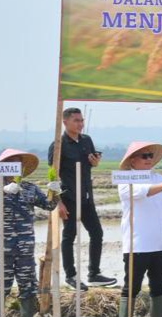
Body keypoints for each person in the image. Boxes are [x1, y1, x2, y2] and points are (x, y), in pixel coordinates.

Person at [0, 149, 58, 317]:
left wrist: (55, 192)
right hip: (3, 247)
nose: (15, 168)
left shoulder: (30, 188)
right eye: (11, 164)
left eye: (18, 164)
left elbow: (49, 205)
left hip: (25, 247)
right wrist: (4, 191)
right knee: (0, 284)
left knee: (28, 285)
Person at [115, 142, 162, 317]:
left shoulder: (158, 177)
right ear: (132, 160)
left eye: (150, 156)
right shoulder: (126, 179)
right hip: (137, 243)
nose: (149, 159)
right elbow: (142, 192)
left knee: (158, 285)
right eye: (144, 156)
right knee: (132, 286)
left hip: (160, 242)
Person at [48, 107, 115, 290]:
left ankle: (94, 273)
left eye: (81, 120)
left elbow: (90, 164)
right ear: (65, 122)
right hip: (68, 197)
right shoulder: (58, 145)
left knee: (97, 233)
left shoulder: (86, 140)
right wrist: (58, 202)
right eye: (76, 120)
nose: (80, 124)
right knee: (69, 235)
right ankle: (70, 276)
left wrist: (95, 162)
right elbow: (53, 176)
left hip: (86, 195)